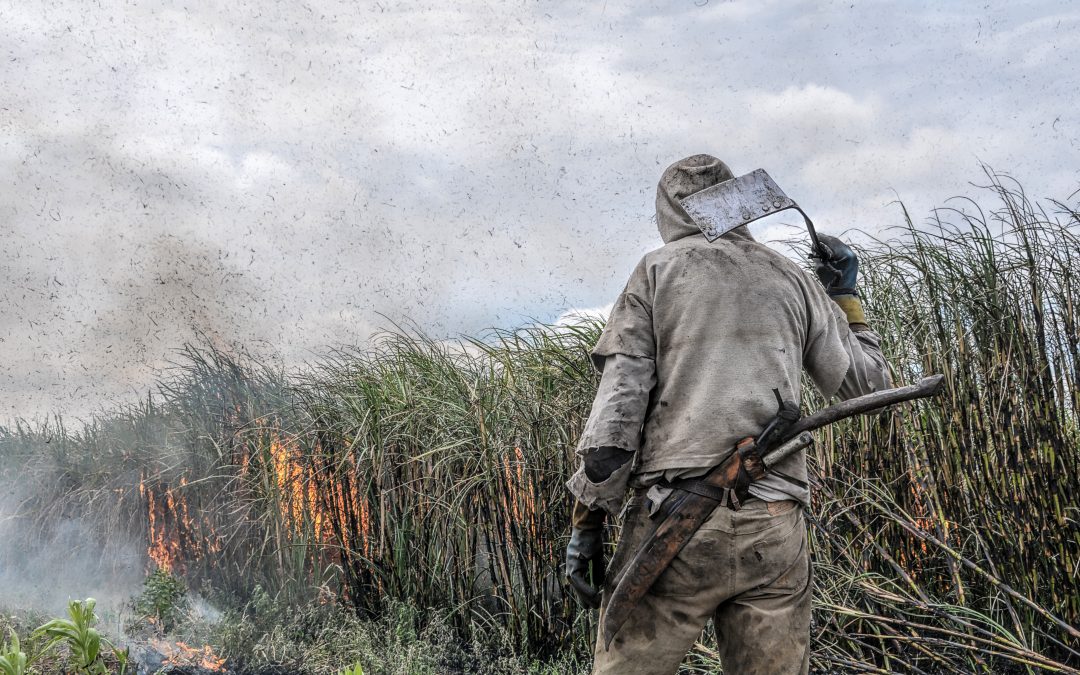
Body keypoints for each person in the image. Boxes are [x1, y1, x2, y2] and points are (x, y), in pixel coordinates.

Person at [564, 154, 892, 675]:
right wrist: (844, 292)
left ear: (667, 212)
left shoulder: (656, 272)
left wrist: (588, 522)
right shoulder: (791, 278)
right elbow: (867, 383)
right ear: (737, 202)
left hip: (676, 525)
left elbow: (616, 416)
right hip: (774, 526)